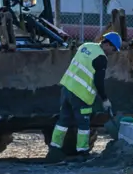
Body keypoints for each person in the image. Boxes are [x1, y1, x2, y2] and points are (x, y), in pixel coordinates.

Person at [47, 32, 121, 161]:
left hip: (67, 89)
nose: (112, 52)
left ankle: (54, 150)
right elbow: (98, 82)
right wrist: (104, 99)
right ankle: (82, 152)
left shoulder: (85, 46)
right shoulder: (101, 58)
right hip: (81, 95)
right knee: (83, 124)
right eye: (113, 49)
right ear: (107, 44)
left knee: (63, 121)